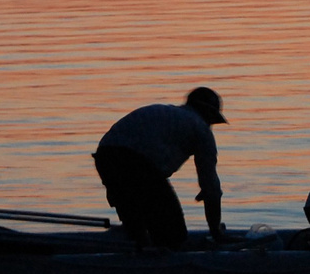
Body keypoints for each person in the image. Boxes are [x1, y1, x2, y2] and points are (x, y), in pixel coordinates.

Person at [93, 87, 228, 249]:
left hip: (106, 155)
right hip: (135, 162)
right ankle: (152, 255)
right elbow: (211, 185)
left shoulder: (167, 113)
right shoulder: (200, 129)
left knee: (135, 218)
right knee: (174, 235)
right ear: (208, 113)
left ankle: (137, 244)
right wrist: (215, 231)